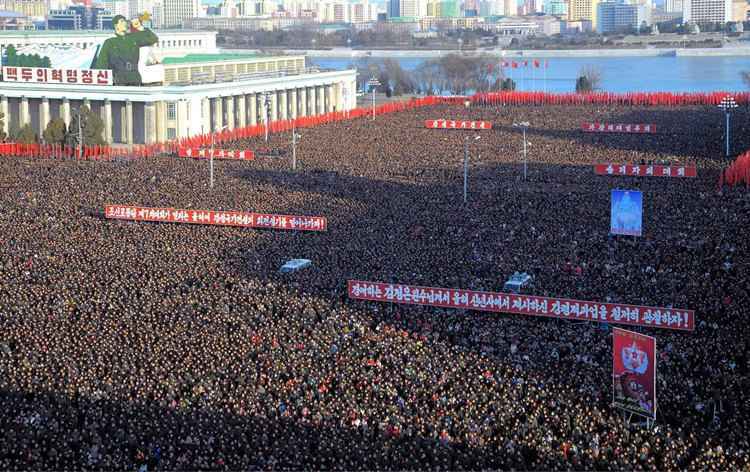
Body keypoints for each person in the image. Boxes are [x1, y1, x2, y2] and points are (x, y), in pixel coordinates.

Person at [93, 15, 158, 86]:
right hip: (118, 79)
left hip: (134, 77)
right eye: (121, 21)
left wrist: (140, 27)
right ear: (116, 25)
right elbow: (101, 64)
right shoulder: (109, 42)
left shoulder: (133, 38)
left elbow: (153, 39)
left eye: (125, 21)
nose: (125, 23)